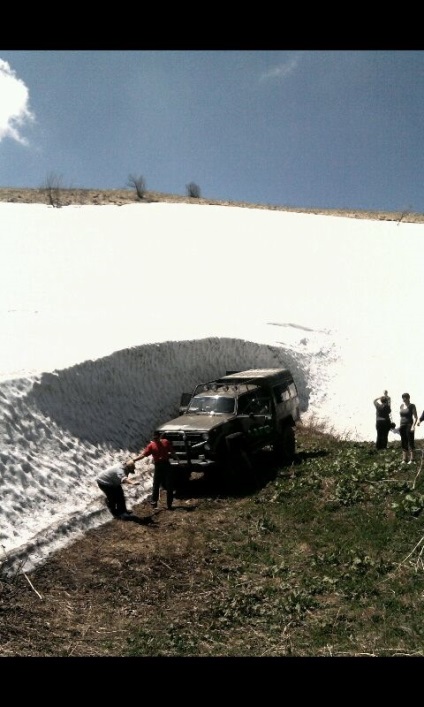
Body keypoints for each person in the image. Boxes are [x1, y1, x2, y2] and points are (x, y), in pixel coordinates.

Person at [132, 431, 178, 510]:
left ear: (160, 437)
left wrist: (178, 460)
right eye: (154, 438)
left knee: (169, 484)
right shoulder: (151, 446)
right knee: (156, 484)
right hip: (158, 465)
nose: (155, 439)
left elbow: (172, 452)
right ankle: (154, 502)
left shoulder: (166, 442)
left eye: (156, 438)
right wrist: (134, 460)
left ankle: (169, 504)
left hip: (166, 464)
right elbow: (143, 455)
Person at [399, 392, 418, 464]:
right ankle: (404, 459)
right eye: (403, 397)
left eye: (405, 397)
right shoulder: (401, 406)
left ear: (408, 398)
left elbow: (416, 417)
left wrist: (413, 426)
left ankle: (412, 459)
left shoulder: (412, 406)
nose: (404, 399)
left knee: (410, 441)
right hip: (402, 425)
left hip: (409, 425)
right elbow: (402, 416)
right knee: (403, 442)